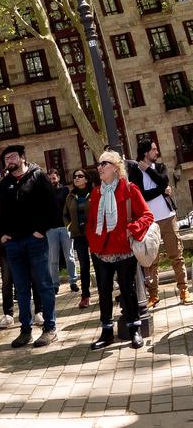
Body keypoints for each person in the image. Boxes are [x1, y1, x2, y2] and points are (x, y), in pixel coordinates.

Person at [0, 144, 58, 348]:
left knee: (44, 284)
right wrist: (2, 235)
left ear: (22, 157)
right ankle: (25, 330)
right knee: (21, 289)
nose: (9, 161)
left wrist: (41, 230)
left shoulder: (38, 177)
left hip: (35, 241)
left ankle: (50, 328)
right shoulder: (4, 184)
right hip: (13, 244)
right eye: (6, 159)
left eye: (12, 157)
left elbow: (52, 206)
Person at [88, 150, 154, 350]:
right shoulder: (96, 192)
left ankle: (134, 329)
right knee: (103, 291)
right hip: (101, 251)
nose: (99, 167)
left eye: (104, 163)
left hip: (124, 249)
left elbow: (147, 215)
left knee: (127, 289)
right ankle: (107, 332)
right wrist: (93, 241)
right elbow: (91, 222)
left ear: (116, 168)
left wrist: (131, 229)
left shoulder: (129, 188)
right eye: (99, 164)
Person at [128, 138, 189, 306]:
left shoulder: (160, 167)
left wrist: (148, 170)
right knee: (151, 261)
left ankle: (184, 290)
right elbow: (143, 195)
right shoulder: (135, 173)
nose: (157, 152)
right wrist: (162, 190)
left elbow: (164, 181)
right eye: (153, 149)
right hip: (149, 223)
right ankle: (153, 295)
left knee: (176, 255)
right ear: (146, 152)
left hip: (168, 217)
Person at [64, 168, 94, 309]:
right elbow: (65, 215)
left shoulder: (94, 193)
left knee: (99, 264)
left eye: (80, 176)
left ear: (86, 179)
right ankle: (85, 296)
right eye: (75, 176)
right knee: (84, 265)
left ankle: (104, 292)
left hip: (94, 234)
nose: (76, 178)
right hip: (79, 235)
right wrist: (70, 227)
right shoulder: (70, 196)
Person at [45, 169, 78, 296]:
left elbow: (70, 207)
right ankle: (54, 284)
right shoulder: (45, 192)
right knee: (53, 259)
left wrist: (71, 223)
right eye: (50, 179)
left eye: (54, 178)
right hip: (51, 229)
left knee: (69, 256)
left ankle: (73, 281)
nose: (52, 180)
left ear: (58, 178)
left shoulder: (65, 190)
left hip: (65, 227)